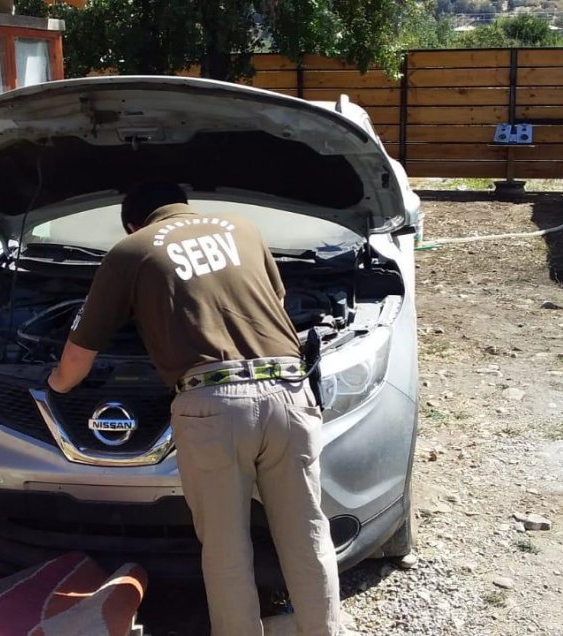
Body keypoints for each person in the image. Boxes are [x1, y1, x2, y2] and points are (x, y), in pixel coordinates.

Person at [46, 181, 343, 635]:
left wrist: (52, 384)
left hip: (213, 406)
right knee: (306, 533)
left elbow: (74, 363)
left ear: (132, 222)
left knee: (226, 548)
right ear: (185, 207)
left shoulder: (132, 250)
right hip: (289, 393)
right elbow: (276, 303)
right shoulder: (243, 228)